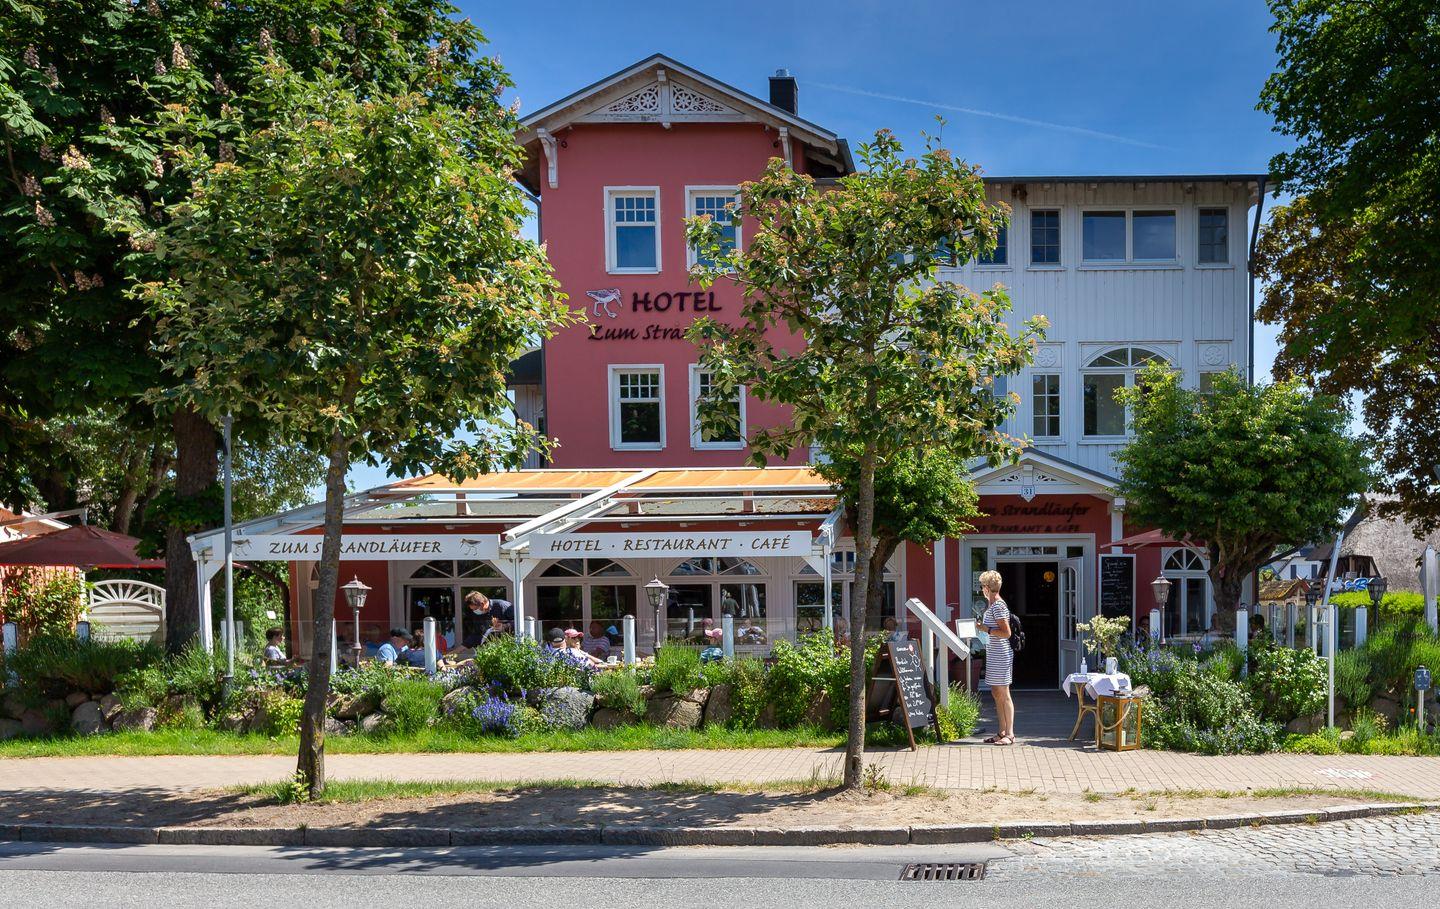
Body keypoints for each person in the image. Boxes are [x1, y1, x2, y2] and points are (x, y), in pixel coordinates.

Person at [976, 569, 1015, 746]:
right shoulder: (993, 605)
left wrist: (987, 629)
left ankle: (1010, 734)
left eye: (982, 586)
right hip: (994, 653)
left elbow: (1007, 633)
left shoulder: (998, 606)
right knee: (996, 693)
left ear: (986, 587)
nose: (981, 590)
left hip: (1001, 654)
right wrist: (984, 629)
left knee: (1004, 693)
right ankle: (1001, 731)